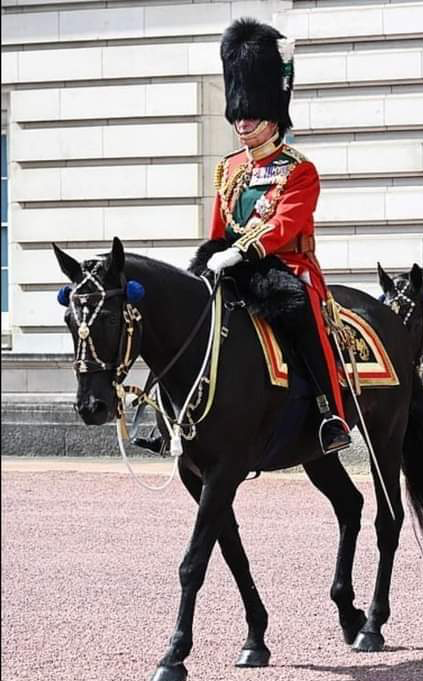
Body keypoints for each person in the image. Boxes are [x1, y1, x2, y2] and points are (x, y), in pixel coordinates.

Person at [136, 18, 350, 455]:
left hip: (285, 266)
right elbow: (219, 227)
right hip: (230, 263)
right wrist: (210, 259)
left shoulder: (299, 169)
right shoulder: (230, 168)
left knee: (301, 316)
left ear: (273, 115)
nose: (243, 122)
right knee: (181, 316)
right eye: (239, 113)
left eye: (251, 114)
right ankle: (166, 413)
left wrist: (241, 250)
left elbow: (285, 224)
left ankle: (331, 413)